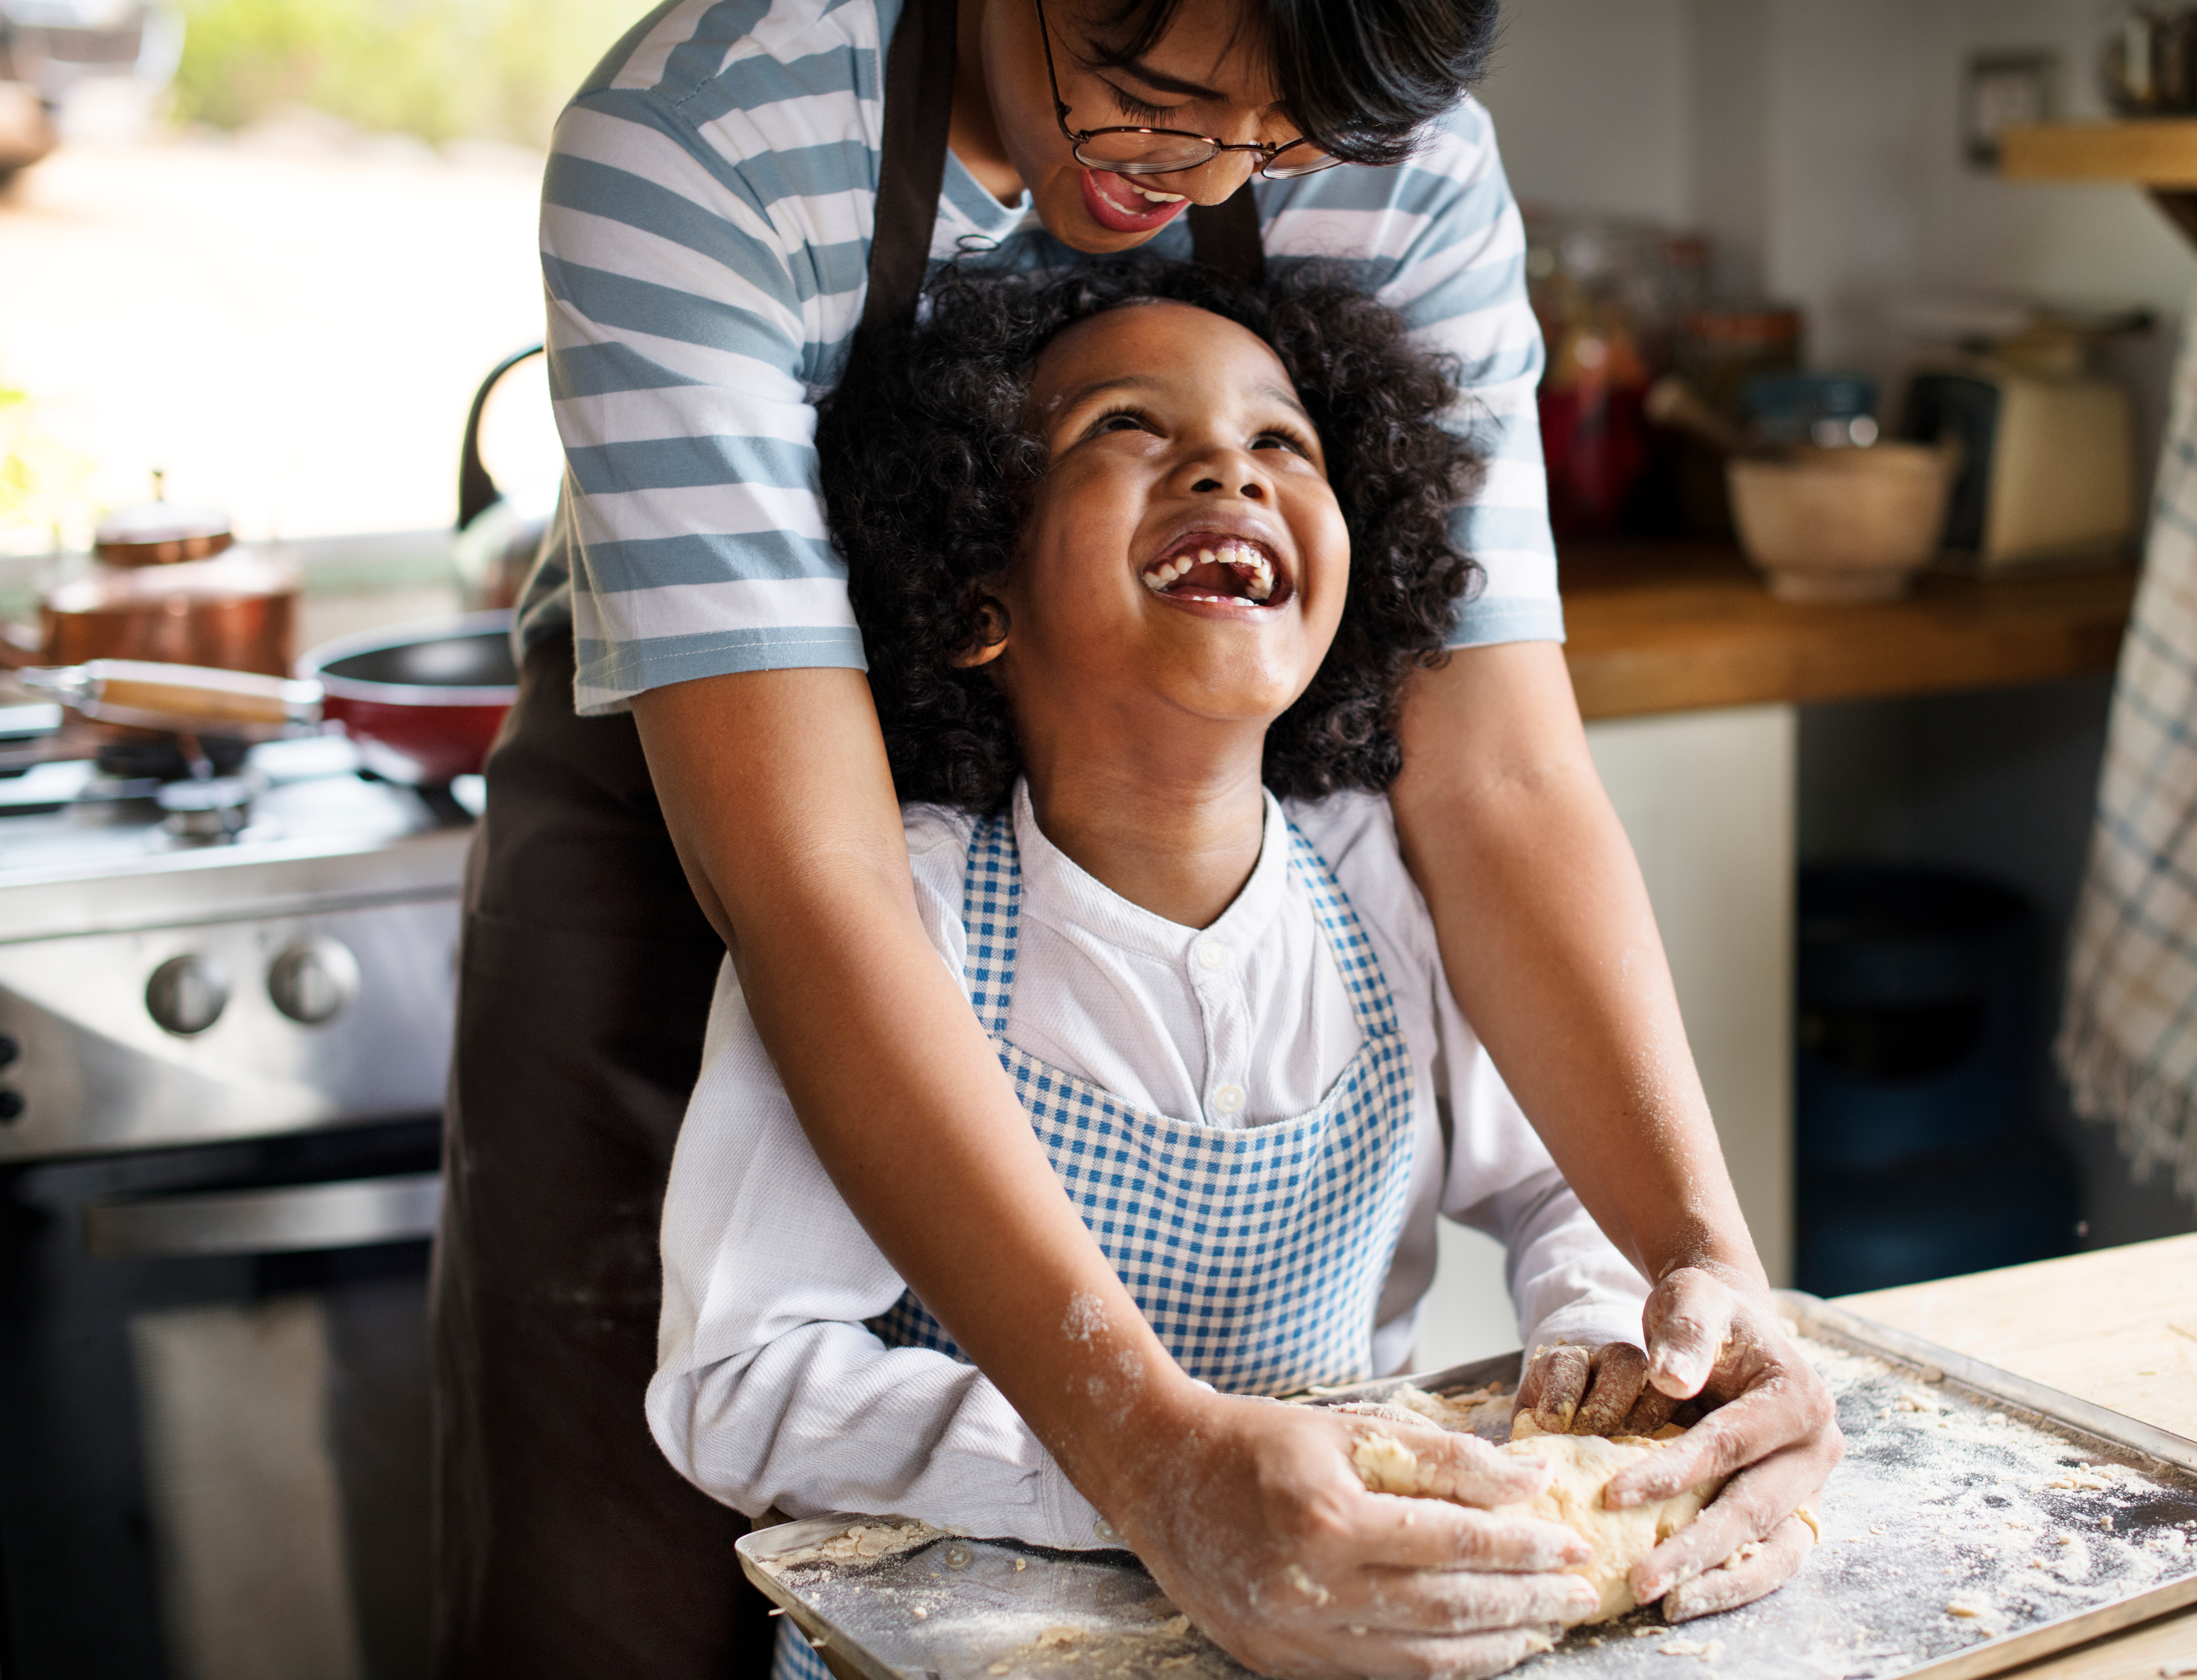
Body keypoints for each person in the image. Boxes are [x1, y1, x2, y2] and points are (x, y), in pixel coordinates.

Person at [434, 1, 1840, 1675]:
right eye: (1149, 103)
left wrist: (1700, 1270)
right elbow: (814, 879)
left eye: (1279, 143)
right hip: (714, 821)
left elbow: (1499, 781)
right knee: (619, 1608)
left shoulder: (1348, 891)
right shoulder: (705, 139)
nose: (1201, 181)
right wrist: (1145, 1455)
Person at [659, 259, 1717, 1680]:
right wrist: (1125, 1473)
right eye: (1126, 428)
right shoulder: (893, 915)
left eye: (1283, 439)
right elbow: (742, 1382)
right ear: (979, 590)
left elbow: (1557, 1184)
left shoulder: (1386, 887)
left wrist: (1596, 1335)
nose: (1229, 462)